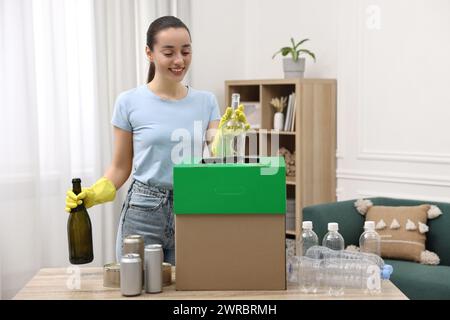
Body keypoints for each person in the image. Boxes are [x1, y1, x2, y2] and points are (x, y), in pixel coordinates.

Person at [64, 16, 222, 265]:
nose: (179, 60)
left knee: (188, 293)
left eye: (186, 51)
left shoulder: (207, 102)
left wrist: (232, 132)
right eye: (169, 52)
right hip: (143, 210)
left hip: (191, 207)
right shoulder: (129, 102)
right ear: (149, 53)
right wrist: (93, 194)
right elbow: (120, 167)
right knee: (135, 287)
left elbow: (219, 157)